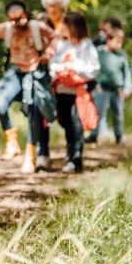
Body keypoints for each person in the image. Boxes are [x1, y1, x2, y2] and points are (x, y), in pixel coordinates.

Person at [0, 0, 56, 173]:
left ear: (25, 15)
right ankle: (11, 142)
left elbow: (54, 36)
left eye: (19, 19)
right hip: (15, 73)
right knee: (0, 103)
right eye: (12, 20)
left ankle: (30, 155)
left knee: (33, 109)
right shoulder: (7, 28)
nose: (16, 23)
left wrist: (48, 53)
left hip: (35, 72)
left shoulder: (37, 27)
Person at [49, 12, 99, 173]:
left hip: (78, 92)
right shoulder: (62, 45)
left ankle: (75, 157)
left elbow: (94, 69)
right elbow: (53, 63)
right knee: (66, 123)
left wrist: (74, 66)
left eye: (65, 26)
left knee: (76, 124)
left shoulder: (87, 45)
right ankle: (71, 153)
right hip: (62, 90)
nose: (62, 29)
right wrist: (61, 68)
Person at [87, 27, 132, 144]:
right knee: (98, 112)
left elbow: (126, 73)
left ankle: (119, 136)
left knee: (118, 114)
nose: (119, 45)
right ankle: (93, 134)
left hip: (117, 90)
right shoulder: (99, 52)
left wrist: (127, 88)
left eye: (121, 42)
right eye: (117, 41)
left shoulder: (122, 55)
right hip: (101, 88)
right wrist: (95, 84)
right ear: (108, 39)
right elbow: (93, 70)